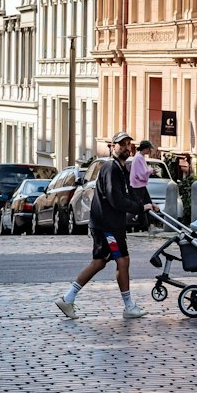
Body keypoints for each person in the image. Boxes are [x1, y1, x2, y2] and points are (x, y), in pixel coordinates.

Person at [56, 133, 148, 319]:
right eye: (121, 144)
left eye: (128, 144)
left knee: (100, 262)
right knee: (122, 260)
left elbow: (129, 194)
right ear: (112, 146)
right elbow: (115, 198)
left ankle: (68, 298)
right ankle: (128, 306)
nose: (126, 147)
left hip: (109, 224)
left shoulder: (121, 169)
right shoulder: (110, 168)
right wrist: (138, 207)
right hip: (107, 225)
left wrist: (146, 204)